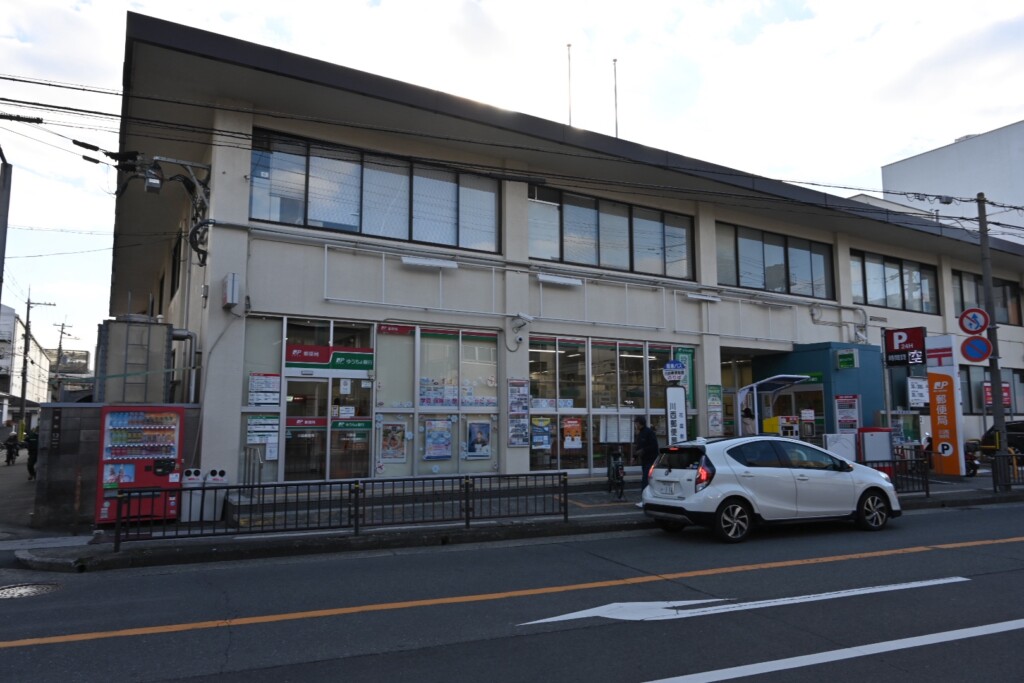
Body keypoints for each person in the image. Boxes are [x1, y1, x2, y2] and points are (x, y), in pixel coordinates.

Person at [633, 416, 659, 506]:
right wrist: (634, 457)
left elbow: (654, 446)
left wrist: (643, 450)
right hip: (644, 460)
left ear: (640, 423)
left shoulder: (649, 432)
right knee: (646, 480)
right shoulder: (640, 433)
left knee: (645, 480)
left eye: (636, 423)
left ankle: (645, 501)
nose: (635, 425)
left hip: (650, 460)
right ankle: (647, 500)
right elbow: (638, 447)